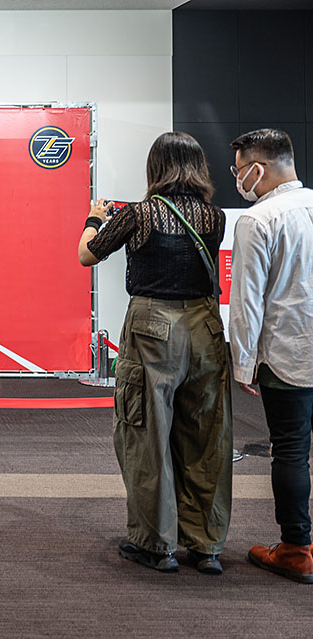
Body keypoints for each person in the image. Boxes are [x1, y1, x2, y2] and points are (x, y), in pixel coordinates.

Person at [77, 132, 232, 574]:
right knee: (207, 437)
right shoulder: (214, 217)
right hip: (204, 326)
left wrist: (93, 218)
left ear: (155, 168)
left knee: (145, 433)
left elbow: (87, 255)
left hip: (151, 329)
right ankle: (206, 546)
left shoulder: (141, 214)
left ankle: (154, 543)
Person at [228, 128, 313, 584]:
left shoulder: (258, 220)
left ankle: (297, 549)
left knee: (292, 452)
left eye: (239, 170)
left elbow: (248, 302)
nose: (237, 179)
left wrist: (242, 363)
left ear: (257, 169)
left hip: (288, 356)